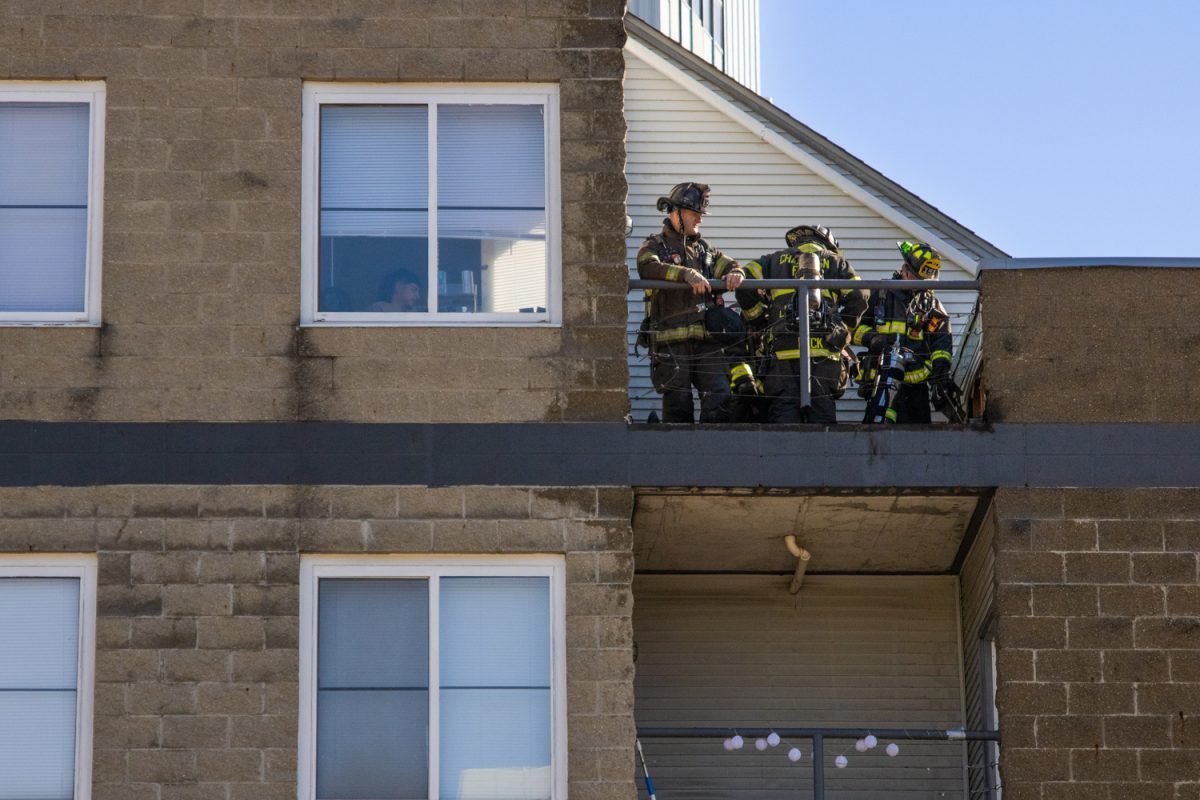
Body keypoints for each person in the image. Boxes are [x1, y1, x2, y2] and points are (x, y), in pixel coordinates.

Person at [735, 224, 867, 424]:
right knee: (823, 423)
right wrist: (842, 331)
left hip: (782, 354)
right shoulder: (835, 261)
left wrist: (759, 318)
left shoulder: (773, 260)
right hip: (824, 356)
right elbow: (860, 296)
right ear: (827, 244)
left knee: (784, 421)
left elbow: (743, 287)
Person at [636, 182, 745, 423]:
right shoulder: (654, 246)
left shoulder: (706, 251)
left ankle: (710, 454)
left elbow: (732, 265)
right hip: (671, 343)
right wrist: (686, 274)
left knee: (720, 394)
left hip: (707, 343)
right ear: (675, 213)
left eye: (700, 215)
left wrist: (736, 274)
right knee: (678, 404)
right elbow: (647, 266)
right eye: (694, 214)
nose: (699, 220)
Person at [853, 241, 953, 423]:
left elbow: (942, 344)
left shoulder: (932, 306)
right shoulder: (880, 295)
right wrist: (874, 338)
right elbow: (854, 327)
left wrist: (941, 375)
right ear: (904, 270)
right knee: (878, 431)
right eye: (916, 278)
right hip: (883, 379)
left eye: (925, 282)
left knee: (918, 439)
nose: (921, 286)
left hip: (916, 387)